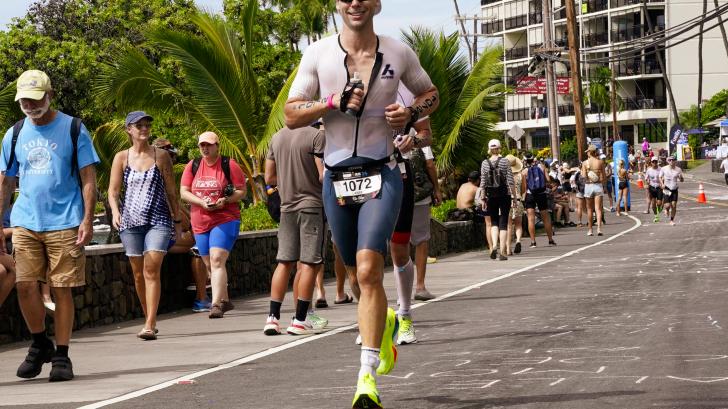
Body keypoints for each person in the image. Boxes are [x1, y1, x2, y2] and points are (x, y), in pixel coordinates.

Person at [284, 0, 439, 405]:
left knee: (371, 267)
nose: (355, 2)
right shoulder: (317, 53)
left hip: (382, 171)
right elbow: (290, 114)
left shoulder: (397, 51)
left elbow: (430, 94)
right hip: (336, 178)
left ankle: (366, 377)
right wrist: (330, 103)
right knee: (354, 277)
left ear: (376, 5)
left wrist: (407, 112)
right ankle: (384, 324)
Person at [0, 70, 99, 381]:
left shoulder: (73, 128)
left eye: (35, 98)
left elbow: (88, 179)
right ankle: (40, 342)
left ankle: (63, 355)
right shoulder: (14, 133)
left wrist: (86, 219)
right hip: (26, 221)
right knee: (25, 285)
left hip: (66, 221)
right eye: (24, 100)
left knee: (61, 289)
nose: (30, 105)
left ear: (49, 95)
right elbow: (6, 181)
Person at [108, 112, 180, 340]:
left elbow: (171, 192)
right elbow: (113, 191)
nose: (144, 129)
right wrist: (115, 212)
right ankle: (147, 315)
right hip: (130, 222)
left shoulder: (161, 156)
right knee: (138, 274)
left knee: (151, 269)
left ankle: (150, 323)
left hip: (158, 219)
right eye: (139, 125)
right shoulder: (122, 157)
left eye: (147, 125)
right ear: (128, 129)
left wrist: (177, 220)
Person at [263, 125, 327, 336]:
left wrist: (289, 180)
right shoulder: (317, 136)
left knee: (284, 262)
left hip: (286, 206)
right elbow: (322, 175)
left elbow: (269, 177)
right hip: (311, 205)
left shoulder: (277, 138)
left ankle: (272, 318)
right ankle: (300, 319)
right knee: (309, 263)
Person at [180, 132, 246, 319]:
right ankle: (225, 300)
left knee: (217, 259)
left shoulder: (228, 164)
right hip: (200, 220)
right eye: (202, 145)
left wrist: (226, 200)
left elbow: (241, 190)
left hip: (225, 218)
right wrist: (200, 202)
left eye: (209, 145)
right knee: (210, 264)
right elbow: (184, 192)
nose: (205, 148)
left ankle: (216, 304)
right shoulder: (192, 166)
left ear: (217, 146)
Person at [152, 138, 211, 312]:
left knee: (198, 235)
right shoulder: (159, 176)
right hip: (160, 234)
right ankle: (201, 298)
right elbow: (177, 215)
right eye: (170, 155)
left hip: (160, 232)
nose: (172, 159)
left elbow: (180, 210)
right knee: (198, 245)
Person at [479, 139, 517, 260]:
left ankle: (494, 245)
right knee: (504, 222)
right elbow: (511, 181)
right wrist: (514, 198)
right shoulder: (505, 162)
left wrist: (483, 198)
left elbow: (483, 183)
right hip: (504, 194)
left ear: (489, 149)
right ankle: (502, 251)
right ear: (499, 148)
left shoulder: (485, 163)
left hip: (491, 195)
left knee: (494, 222)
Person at [522, 152, 556, 247]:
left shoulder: (524, 171)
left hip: (530, 195)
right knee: (546, 217)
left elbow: (524, 187)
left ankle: (533, 242)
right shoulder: (541, 166)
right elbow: (548, 180)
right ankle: (550, 240)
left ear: (525, 160)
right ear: (534, 159)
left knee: (531, 219)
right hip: (541, 194)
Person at [582, 145, 606, 236]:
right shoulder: (600, 162)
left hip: (588, 186)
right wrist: (603, 185)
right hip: (598, 186)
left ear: (589, 152)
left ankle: (590, 229)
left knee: (589, 209)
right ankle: (599, 228)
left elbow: (583, 177)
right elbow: (603, 177)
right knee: (598, 209)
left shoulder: (585, 163)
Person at [505, 155, 524, 255]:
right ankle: (518, 241)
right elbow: (524, 189)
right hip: (518, 200)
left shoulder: (504, 176)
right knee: (518, 225)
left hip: (507, 201)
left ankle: (508, 249)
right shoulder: (521, 175)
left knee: (508, 226)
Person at [660, 156, 684, 226]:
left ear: (675, 161)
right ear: (668, 161)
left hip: (674, 189)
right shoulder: (664, 168)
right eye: (670, 160)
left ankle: (672, 220)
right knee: (667, 205)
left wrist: (681, 177)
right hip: (667, 188)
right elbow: (660, 177)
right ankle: (667, 210)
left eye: (673, 160)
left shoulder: (678, 169)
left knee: (674, 205)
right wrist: (662, 184)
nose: (671, 161)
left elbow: (682, 180)